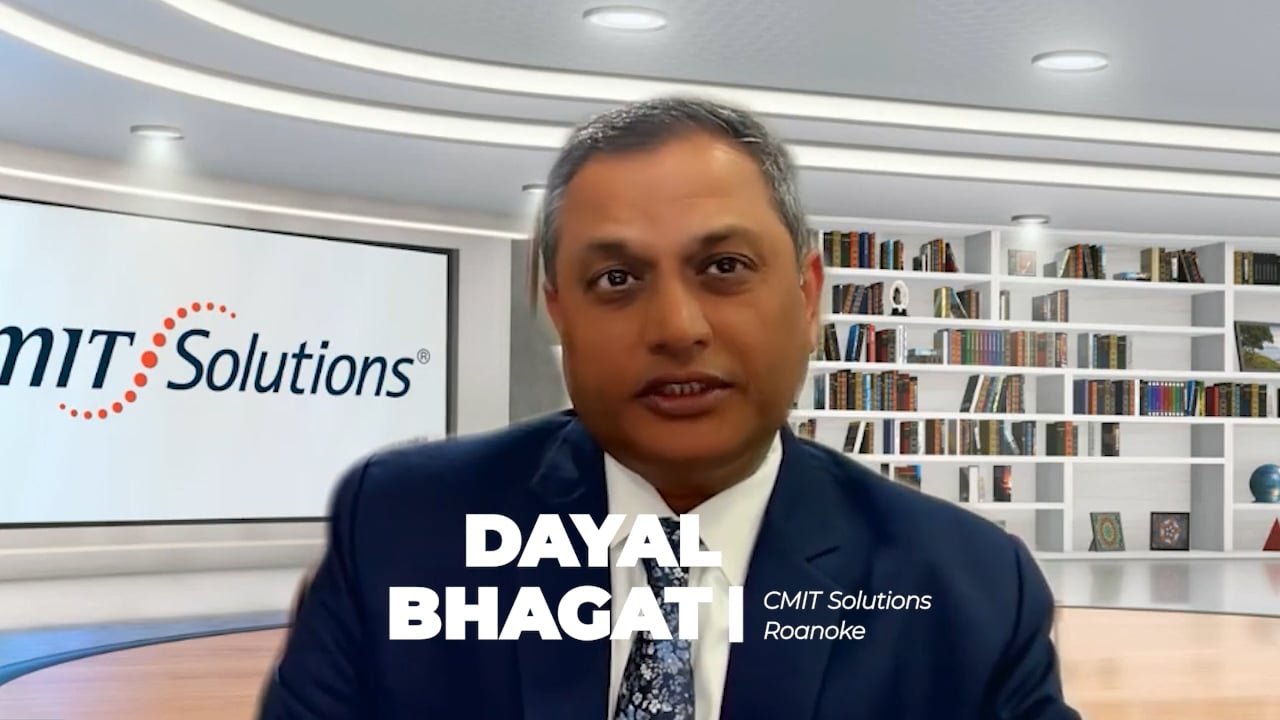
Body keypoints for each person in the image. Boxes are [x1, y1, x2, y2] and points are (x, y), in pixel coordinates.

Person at [257, 96, 1081, 719]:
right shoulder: (399, 531)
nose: (678, 328)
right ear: (557, 310)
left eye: (724, 267)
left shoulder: (969, 590)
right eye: (616, 279)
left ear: (808, 296)